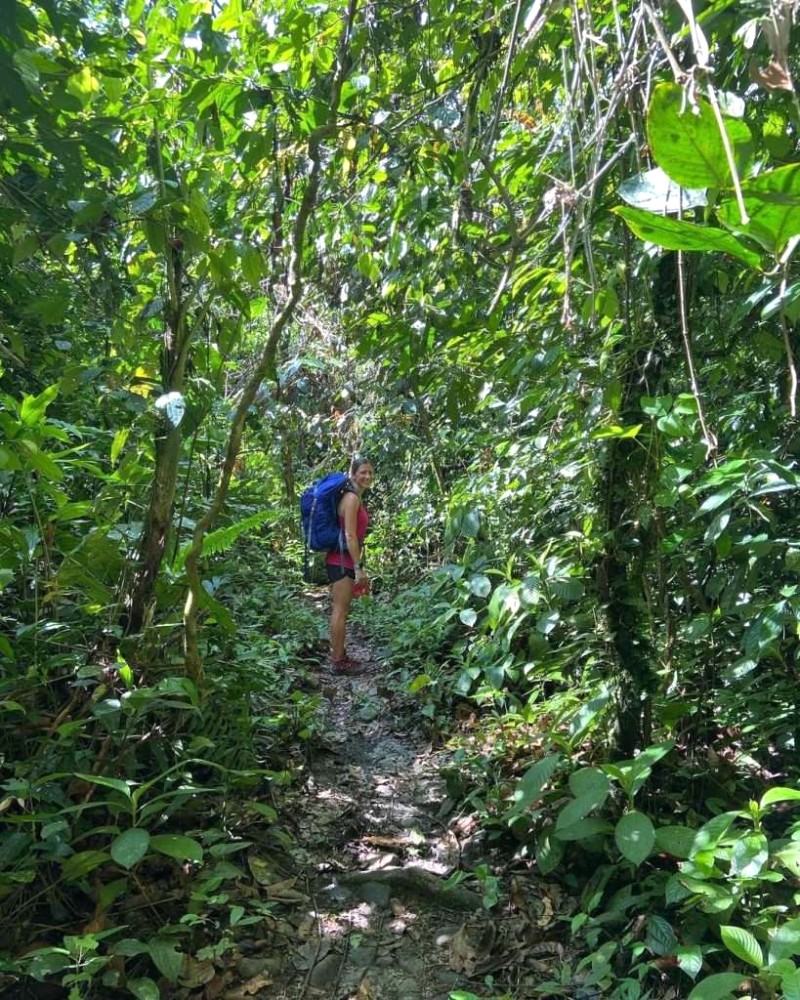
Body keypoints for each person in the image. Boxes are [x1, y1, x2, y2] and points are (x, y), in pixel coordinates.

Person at [326, 457, 373, 674]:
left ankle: (340, 656)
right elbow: (350, 535)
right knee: (340, 610)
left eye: (370, 473)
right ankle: (337, 661)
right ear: (353, 474)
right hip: (342, 560)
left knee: (341, 610)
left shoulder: (351, 497)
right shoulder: (352, 499)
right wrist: (359, 567)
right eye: (363, 472)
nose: (367, 476)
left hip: (340, 559)